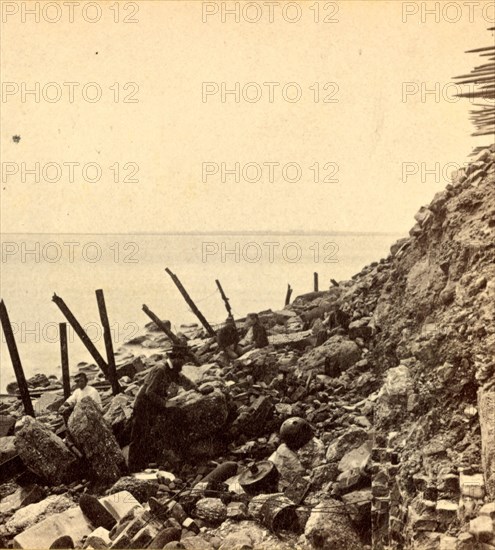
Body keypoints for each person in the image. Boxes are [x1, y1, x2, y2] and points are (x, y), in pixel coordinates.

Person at [127, 348, 197, 472]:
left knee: (174, 415)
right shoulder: (160, 369)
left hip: (154, 403)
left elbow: (183, 380)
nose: (183, 365)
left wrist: (197, 388)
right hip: (143, 404)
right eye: (182, 362)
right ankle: (133, 467)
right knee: (139, 434)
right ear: (175, 359)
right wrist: (165, 404)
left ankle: (148, 461)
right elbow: (149, 392)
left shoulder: (173, 369)